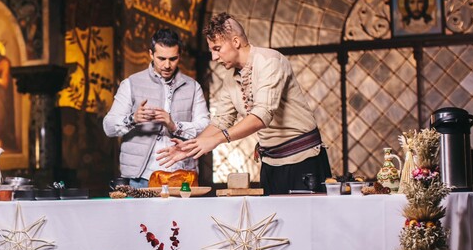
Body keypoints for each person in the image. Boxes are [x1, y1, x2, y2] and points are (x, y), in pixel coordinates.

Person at [157, 12, 331, 194]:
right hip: (270, 164)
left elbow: (261, 116)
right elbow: (221, 120)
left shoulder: (269, 61)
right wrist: (191, 146)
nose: (214, 57)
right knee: (275, 222)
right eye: (211, 51)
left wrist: (215, 141)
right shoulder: (230, 76)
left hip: (304, 162)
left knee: (308, 222)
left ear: (236, 42)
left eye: (217, 48)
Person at [103, 28, 210, 188]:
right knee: (140, 215)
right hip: (140, 177)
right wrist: (133, 119)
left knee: (182, 215)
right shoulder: (131, 84)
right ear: (151, 54)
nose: (167, 65)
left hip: (182, 175)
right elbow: (108, 127)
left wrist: (175, 126)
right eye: (161, 58)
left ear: (179, 56)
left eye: (173, 59)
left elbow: (206, 129)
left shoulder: (193, 87)